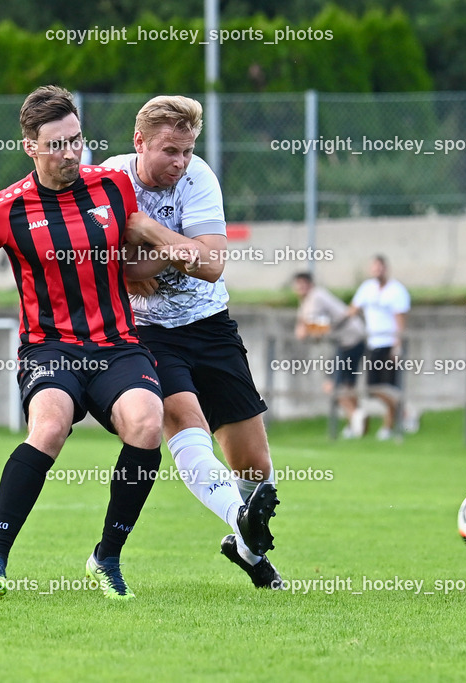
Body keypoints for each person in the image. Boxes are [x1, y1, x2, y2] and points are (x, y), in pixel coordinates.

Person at [0, 85, 274, 601]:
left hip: (118, 345)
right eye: (57, 144)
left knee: (147, 425)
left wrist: (149, 260)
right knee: (49, 427)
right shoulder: (2, 211)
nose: (70, 152)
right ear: (30, 146)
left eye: (76, 140)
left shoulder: (113, 187)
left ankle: (107, 559)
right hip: (50, 348)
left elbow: (142, 247)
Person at [101, 95, 283, 589]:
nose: (180, 162)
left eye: (186, 151)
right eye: (169, 151)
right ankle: (240, 526)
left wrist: (146, 231)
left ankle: (246, 549)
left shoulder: (199, 177)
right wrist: (179, 247)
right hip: (146, 332)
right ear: (139, 142)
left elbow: (212, 265)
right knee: (186, 422)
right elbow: (113, 266)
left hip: (210, 324)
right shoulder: (110, 180)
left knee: (255, 466)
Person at [292, 271, 367, 438]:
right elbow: (304, 323)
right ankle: (355, 422)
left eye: (303, 285)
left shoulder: (315, 298)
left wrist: (306, 331)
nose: (300, 288)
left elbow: (315, 330)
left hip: (349, 340)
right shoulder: (308, 300)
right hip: (349, 340)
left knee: (332, 386)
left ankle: (356, 418)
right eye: (298, 285)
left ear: (310, 284)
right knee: (347, 385)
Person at [348, 255, 411, 440]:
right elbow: (352, 311)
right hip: (372, 343)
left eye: (380, 267)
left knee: (388, 388)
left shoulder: (396, 290)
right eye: (374, 267)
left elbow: (400, 320)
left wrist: (397, 346)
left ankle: (388, 427)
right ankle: (405, 412)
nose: (377, 271)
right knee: (372, 388)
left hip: (389, 344)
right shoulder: (367, 288)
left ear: (386, 269)